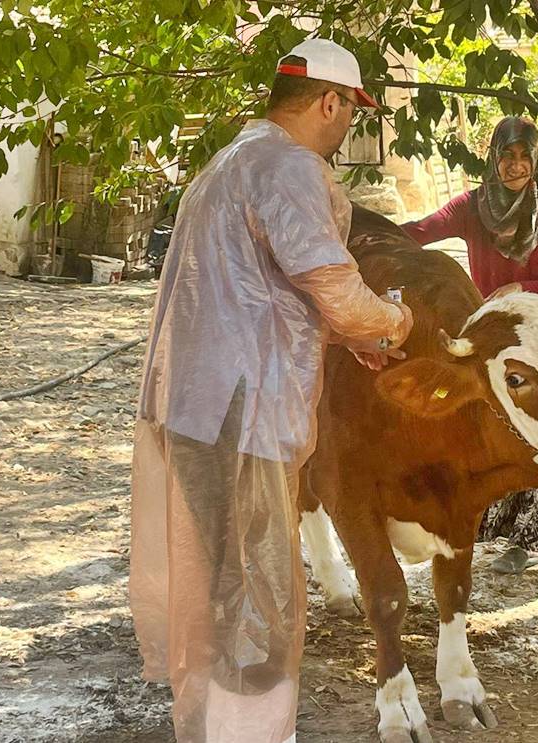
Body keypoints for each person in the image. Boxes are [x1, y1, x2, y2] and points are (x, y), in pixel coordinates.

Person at [129, 38, 414, 743]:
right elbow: (333, 288)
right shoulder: (289, 167)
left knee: (222, 579)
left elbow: (259, 294)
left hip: (194, 404)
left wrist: (345, 337)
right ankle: (253, 732)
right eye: (351, 111)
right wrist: (392, 321)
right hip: (245, 410)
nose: (349, 126)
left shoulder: (228, 162)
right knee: (258, 588)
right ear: (329, 102)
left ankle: (214, 726)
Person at [402, 117, 538, 585]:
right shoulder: (473, 207)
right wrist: (365, 235)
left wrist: (521, 288)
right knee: (511, 433)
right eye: (507, 156)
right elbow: (420, 230)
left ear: (535, 159)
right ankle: (520, 542)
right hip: (500, 344)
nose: (516, 166)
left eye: (524, 156)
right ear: (494, 158)